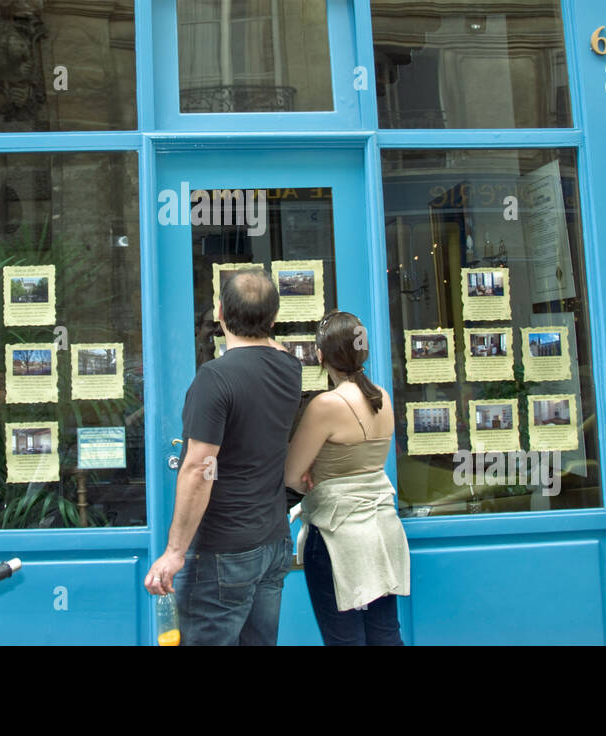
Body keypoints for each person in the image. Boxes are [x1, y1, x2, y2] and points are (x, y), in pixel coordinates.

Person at [143, 270, 301, 645]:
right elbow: (269, 344)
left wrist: (174, 552)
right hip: (273, 543)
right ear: (275, 319)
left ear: (219, 313)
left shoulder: (216, 378)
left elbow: (199, 468)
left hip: (224, 553)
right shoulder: (290, 367)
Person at [285, 310, 410, 645]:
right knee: (385, 634)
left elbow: (292, 475)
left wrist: (309, 476)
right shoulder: (381, 396)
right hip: (382, 530)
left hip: (336, 535)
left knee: (344, 639)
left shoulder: (326, 405)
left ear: (321, 355)